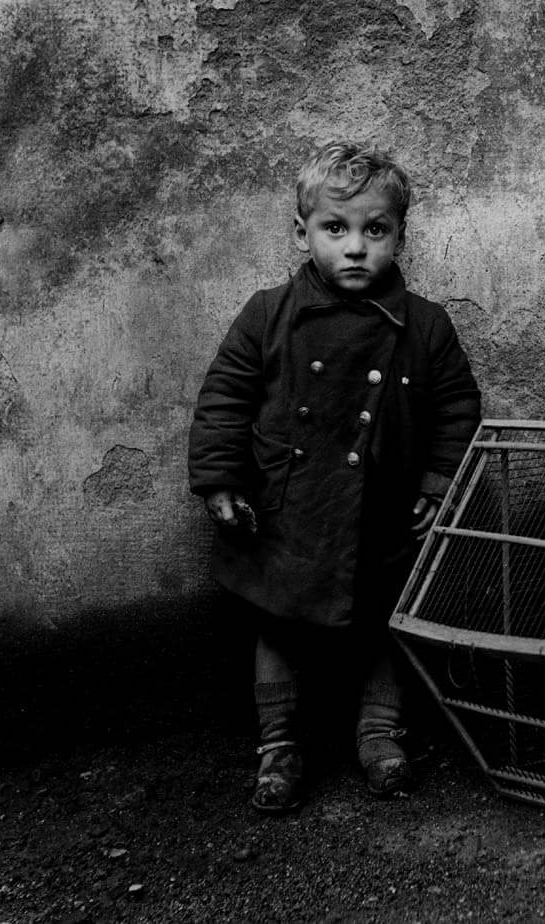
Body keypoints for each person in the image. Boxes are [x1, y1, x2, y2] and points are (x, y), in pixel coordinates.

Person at [188, 141, 481, 812]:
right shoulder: (269, 314)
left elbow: (458, 407)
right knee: (278, 622)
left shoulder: (426, 327)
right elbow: (226, 397)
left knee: (387, 622)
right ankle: (279, 744)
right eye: (335, 229)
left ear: (399, 237)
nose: (355, 248)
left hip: (382, 508)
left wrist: (439, 484)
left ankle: (380, 732)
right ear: (303, 232)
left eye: (374, 231)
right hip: (290, 506)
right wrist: (220, 480)